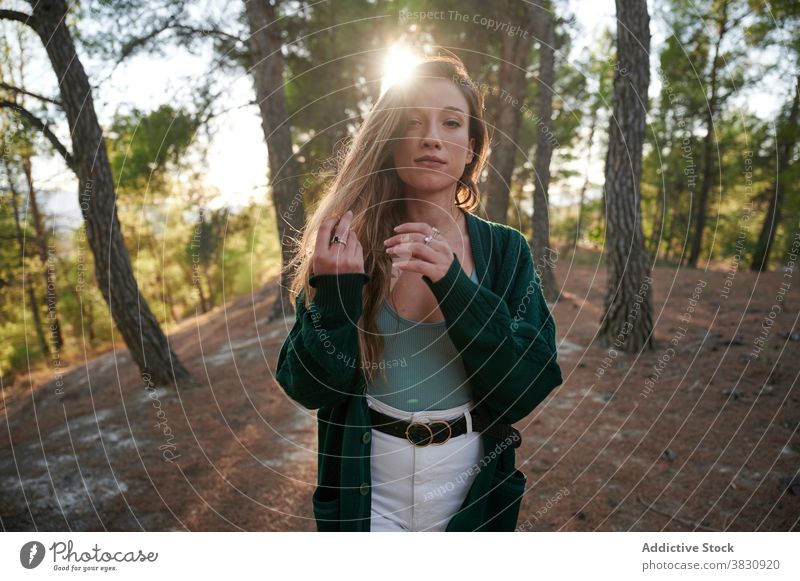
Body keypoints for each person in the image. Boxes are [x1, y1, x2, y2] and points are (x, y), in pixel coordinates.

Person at [275, 53, 563, 532]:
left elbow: (527, 389)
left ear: (471, 149)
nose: (432, 136)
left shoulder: (506, 250)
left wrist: (456, 288)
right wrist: (335, 294)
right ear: (390, 142)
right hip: (368, 497)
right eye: (413, 123)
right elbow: (308, 388)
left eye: (451, 123)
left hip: (469, 491)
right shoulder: (351, 245)